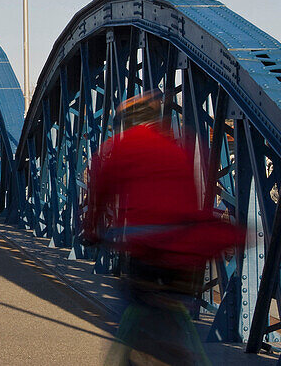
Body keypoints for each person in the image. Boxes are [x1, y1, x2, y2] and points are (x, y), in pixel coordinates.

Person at [82, 91, 244, 365]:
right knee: (177, 314)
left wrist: (92, 231)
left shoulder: (118, 148)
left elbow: (99, 194)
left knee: (132, 316)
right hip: (185, 256)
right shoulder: (177, 147)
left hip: (148, 251)